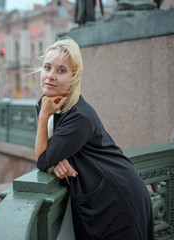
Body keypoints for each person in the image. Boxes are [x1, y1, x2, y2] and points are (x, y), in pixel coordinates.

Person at [35, 37, 154, 240]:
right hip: (96, 193)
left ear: (74, 76)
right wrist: (56, 160)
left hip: (117, 196)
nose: (50, 76)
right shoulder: (46, 102)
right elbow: (48, 155)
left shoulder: (79, 116)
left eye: (61, 70)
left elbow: (42, 160)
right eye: (47, 67)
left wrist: (51, 152)